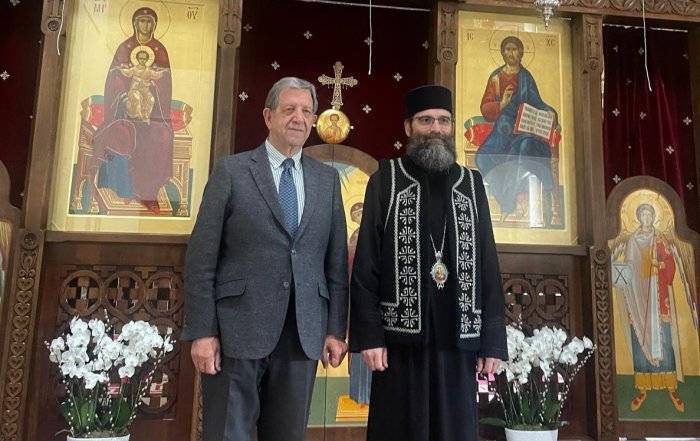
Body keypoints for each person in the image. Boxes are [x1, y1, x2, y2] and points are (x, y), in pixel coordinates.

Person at [182, 77, 349, 441]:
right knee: (228, 435)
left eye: (307, 111)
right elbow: (201, 258)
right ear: (268, 115)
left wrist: (336, 329)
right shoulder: (232, 171)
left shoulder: (327, 181)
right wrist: (202, 331)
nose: (298, 119)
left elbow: (336, 264)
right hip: (236, 332)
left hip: (302, 334)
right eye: (289, 109)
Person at [350, 85, 508, 441]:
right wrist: (370, 336)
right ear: (408, 127)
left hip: (459, 338)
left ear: (451, 126)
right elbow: (366, 265)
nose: (435, 128)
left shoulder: (471, 183)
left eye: (443, 120)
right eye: (425, 120)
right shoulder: (386, 179)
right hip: (399, 342)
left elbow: (487, 261)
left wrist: (493, 340)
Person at [612, 203, 697, 413]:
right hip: (639, 297)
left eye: (650, 214)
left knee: (665, 338)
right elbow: (629, 266)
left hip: (658, 298)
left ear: (654, 217)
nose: (646, 218)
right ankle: (643, 388)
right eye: (643, 214)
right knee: (640, 336)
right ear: (639, 217)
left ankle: (671, 387)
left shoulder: (661, 239)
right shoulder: (632, 240)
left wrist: (658, 265)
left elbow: (670, 265)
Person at [92, 7, 173, 213]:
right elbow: (115, 79)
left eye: (149, 22)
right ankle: (122, 188)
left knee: (161, 136)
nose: (145, 26)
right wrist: (123, 95)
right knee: (122, 133)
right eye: (142, 21)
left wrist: (154, 88)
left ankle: (149, 192)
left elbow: (165, 83)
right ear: (134, 24)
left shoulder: (160, 50)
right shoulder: (124, 48)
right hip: (123, 112)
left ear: (154, 26)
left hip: (153, 114)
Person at [475, 36, 557, 219]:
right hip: (502, 130)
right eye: (507, 49)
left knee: (521, 151)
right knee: (482, 157)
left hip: (524, 129)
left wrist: (551, 113)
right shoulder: (496, 77)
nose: (510, 53)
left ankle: (508, 202)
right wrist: (502, 104)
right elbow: (486, 109)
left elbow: (537, 102)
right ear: (502, 52)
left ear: (521, 53)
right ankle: (505, 200)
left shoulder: (526, 77)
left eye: (514, 49)